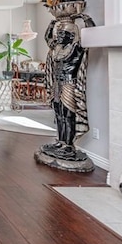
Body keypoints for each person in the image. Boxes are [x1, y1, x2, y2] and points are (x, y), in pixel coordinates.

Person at [42, 20, 89, 160]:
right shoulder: (56, 49)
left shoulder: (76, 49)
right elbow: (47, 38)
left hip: (69, 85)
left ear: (71, 35)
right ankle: (61, 141)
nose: (59, 36)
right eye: (59, 33)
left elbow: (92, 35)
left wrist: (87, 21)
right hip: (57, 84)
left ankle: (69, 145)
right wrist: (51, 24)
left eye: (63, 33)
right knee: (58, 114)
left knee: (68, 115)